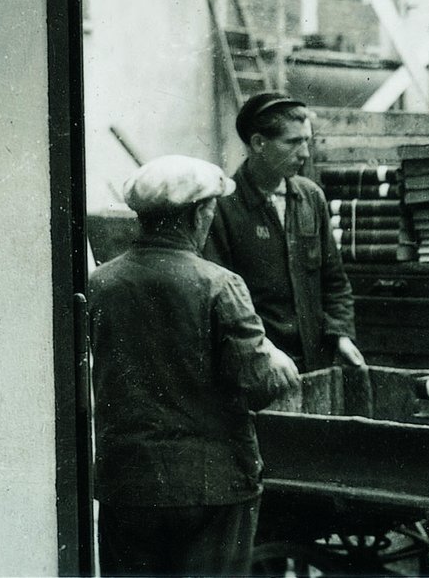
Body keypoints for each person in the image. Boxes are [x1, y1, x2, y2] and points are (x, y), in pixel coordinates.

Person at [90, 155, 301, 576]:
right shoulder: (220, 285)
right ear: (201, 213)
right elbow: (259, 382)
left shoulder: (100, 284)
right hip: (211, 486)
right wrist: (281, 362)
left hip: (127, 483)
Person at [205, 92, 366, 372]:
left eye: (307, 141)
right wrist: (259, 353)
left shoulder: (311, 197)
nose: (304, 153)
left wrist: (341, 335)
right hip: (258, 366)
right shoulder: (223, 206)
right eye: (293, 142)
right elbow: (220, 302)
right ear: (258, 143)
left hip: (314, 359)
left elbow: (334, 281)